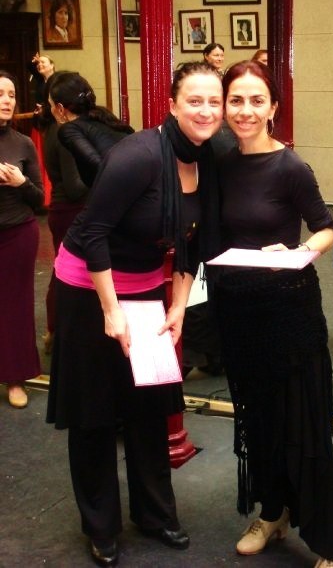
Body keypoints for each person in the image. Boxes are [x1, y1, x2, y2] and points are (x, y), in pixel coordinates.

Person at [46, 61, 223, 566]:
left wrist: (179, 305)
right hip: (89, 290)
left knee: (148, 409)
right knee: (95, 413)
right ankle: (101, 526)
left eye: (214, 101)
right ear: (172, 104)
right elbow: (93, 232)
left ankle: (154, 514)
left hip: (146, 291)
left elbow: (193, 243)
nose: (206, 111)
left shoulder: (208, 159)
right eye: (194, 100)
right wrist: (110, 310)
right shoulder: (138, 156)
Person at [205, 60, 333, 566]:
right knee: (259, 420)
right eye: (236, 100)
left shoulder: (290, 167)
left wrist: (299, 252)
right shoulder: (220, 164)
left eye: (256, 100)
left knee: (302, 423)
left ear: (273, 108)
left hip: (289, 311)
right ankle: (272, 512)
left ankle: (329, 543)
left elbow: (327, 228)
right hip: (239, 312)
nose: (245, 110)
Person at [0, 70, 44, 408]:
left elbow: (39, 199)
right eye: (0, 94)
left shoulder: (23, 143)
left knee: (15, 308)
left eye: (12, 95)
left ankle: (15, 378)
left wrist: (21, 183)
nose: (7, 101)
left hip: (18, 233)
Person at [40, 73, 89, 355]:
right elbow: (74, 187)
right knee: (69, 275)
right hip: (71, 211)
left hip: (64, 212)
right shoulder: (65, 132)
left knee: (62, 272)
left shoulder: (54, 129)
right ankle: (61, 333)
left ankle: (56, 331)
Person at [48, 72, 134, 188]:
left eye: (51, 105)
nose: (51, 110)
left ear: (60, 108)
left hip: (124, 190)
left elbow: (101, 169)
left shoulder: (68, 129)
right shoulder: (103, 115)